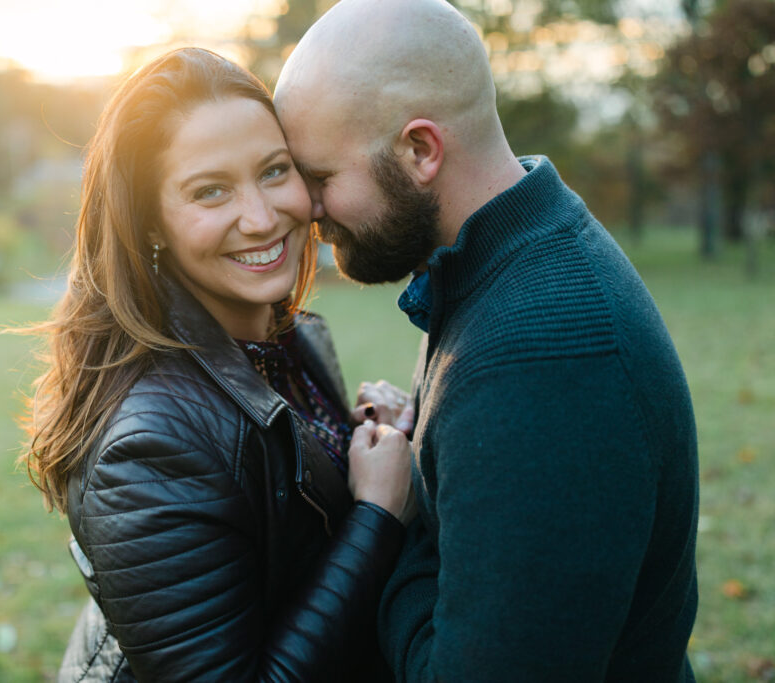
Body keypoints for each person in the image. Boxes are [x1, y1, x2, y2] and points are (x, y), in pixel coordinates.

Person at [273, 1, 700, 681]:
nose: (307, 208)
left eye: (320, 177)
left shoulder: (540, 362)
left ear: (419, 150)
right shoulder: (503, 254)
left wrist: (392, 515)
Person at [15, 47, 415, 682]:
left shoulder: (288, 340)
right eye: (210, 191)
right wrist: (377, 516)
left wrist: (372, 436)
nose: (260, 218)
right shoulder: (147, 446)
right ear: (151, 222)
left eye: (274, 171)